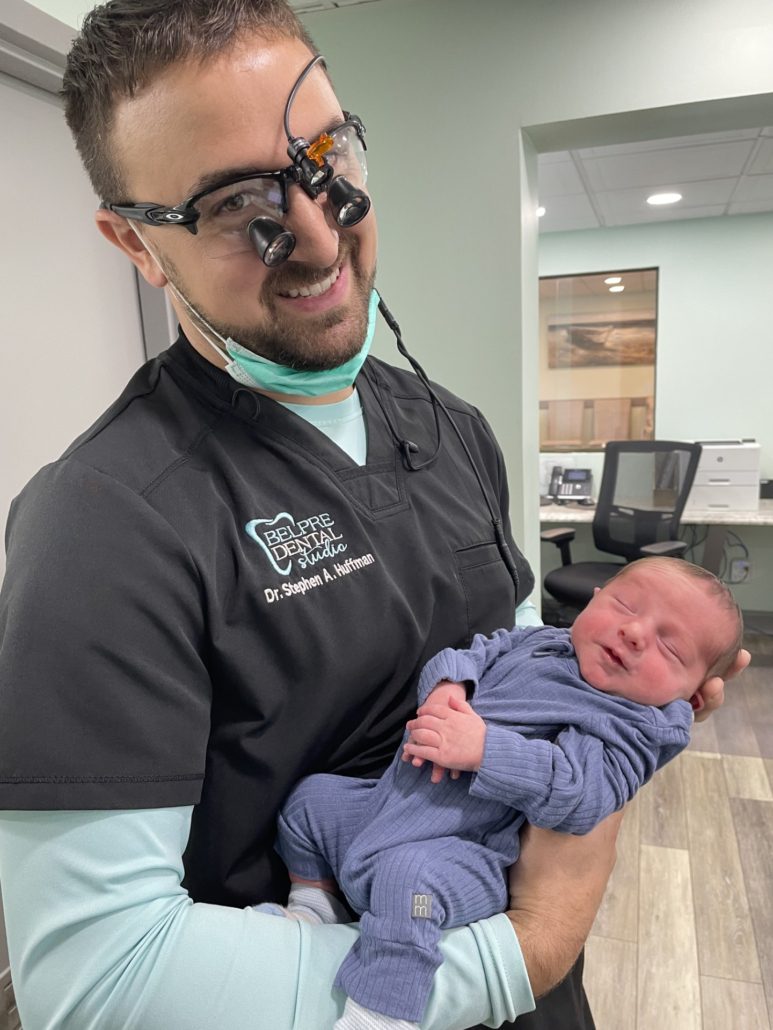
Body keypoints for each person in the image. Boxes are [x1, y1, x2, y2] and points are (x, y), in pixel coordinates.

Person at [0, 2, 746, 1028]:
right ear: (135, 241)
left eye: (326, 157)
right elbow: (97, 983)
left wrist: (621, 708)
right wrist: (528, 943)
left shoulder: (450, 427)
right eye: (234, 203)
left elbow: (520, 655)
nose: (320, 236)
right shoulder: (102, 527)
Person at [258, 557, 743, 1029]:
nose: (634, 632)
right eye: (625, 605)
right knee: (310, 801)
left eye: (670, 647)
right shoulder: (543, 642)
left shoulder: (630, 723)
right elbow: (477, 651)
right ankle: (316, 905)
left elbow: (581, 793)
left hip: (461, 852)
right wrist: (449, 687)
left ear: (693, 696)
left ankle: (383, 1011)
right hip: (379, 809)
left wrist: (485, 749)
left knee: (409, 886)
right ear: (593, 601)